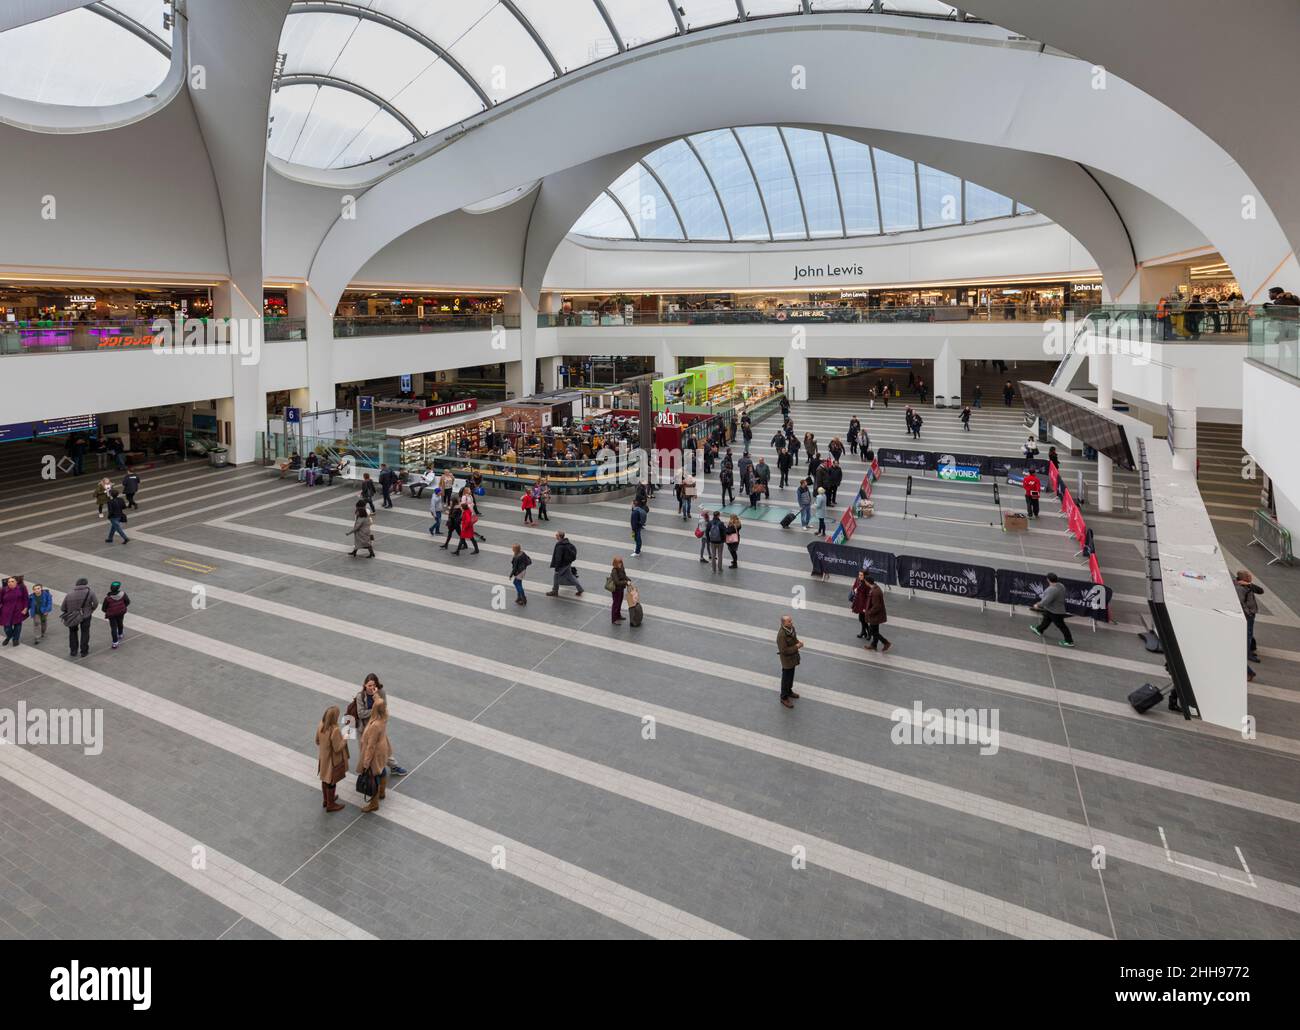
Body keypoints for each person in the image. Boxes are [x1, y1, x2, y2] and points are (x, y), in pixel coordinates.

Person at [357, 696, 392, 813]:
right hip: (383, 748)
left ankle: (374, 803)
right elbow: (381, 705)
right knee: (381, 769)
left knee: (374, 776)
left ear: (375, 709)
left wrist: (366, 762)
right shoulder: (385, 716)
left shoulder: (375, 725)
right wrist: (376, 696)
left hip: (375, 752)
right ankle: (382, 792)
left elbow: (370, 746)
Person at [317, 705, 349, 812]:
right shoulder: (334, 730)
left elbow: (317, 741)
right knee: (331, 781)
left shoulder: (321, 724)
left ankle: (326, 800)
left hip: (323, 758)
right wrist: (345, 738)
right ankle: (331, 805)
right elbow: (337, 748)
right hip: (332, 760)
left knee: (324, 779)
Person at [1031, 573, 1075, 647]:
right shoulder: (1061, 585)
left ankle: (1069, 641)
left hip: (1055, 611)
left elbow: (1046, 600)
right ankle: (1039, 629)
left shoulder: (1052, 590)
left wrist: (1037, 605)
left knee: (1062, 626)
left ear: (1048, 580)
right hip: (1052, 609)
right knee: (1046, 619)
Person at [60, 577, 98, 658]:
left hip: (72, 617)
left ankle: (73, 651)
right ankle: (84, 651)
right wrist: (91, 609)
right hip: (86, 616)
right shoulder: (90, 592)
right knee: (85, 632)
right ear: (86, 584)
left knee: (73, 633)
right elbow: (96, 603)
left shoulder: (69, 594)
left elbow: (63, 608)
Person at [1235, 569, 1263, 666]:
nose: (1251, 577)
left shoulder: (1247, 585)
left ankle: (1249, 651)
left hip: (1250, 614)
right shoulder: (1240, 588)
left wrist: (1249, 585)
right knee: (1248, 634)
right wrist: (1249, 613)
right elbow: (1241, 603)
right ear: (1245, 578)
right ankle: (1247, 653)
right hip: (1248, 615)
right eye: (1249, 576)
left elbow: (1260, 591)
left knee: (1249, 633)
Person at [776, 615, 803, 709]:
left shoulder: (791, 628)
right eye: (789, 621)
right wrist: (797, 647)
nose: (791, 622)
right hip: (787, 660)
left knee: (791, 676)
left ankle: (789, 691)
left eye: (791, 621)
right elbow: (784, 651)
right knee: (786, 678)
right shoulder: (781, 635)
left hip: (793, 658)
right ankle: (783, 697)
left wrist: (798, 642)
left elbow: (794, 638)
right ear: (783, 623)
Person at [546, 531, 583, 596]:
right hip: (568, 563)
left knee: (556, 576)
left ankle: (555, 591)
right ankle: (580, 589)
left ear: (559, 536)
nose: (555, 536)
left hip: (562, 565)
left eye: (556, 535)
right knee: (570, 576)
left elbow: (558, 558)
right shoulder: (567, 543)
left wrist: (557, 568)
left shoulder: (560, 546)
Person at [863, 575, 891, 652]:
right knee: (875, 631)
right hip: (876, 615)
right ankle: (874, 645)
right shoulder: (875, 588)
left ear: (868, 582)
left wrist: (869, 612)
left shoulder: (875, 592)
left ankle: (886, 642)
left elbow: (877, 606)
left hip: (875, 615)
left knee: (873, 631)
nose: (865, 583)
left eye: (865, 581)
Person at [101, 580, 130, 649]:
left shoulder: (108, 598)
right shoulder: (123, 594)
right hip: (121, 612)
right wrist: (123, 607)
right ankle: (120, 634)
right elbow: (127, 602)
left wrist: (108, 611)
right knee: (120, 623)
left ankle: (115, 642)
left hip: (112, 615)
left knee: (113, 627)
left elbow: (103, 608)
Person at [1, 575, 28, 647]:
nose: (10, 583)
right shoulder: (3, 589)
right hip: (6, 611)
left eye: (12, 581)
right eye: (9, 582)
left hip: (18, 610)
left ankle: (15, 639)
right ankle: (9, 636)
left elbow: (25, 598)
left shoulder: (22, 588)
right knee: (7, 628)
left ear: (16, 582)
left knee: (17, 625)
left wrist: (25, 608)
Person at [607, 556, 630, 624]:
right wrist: (626, 582)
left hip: (621, 588)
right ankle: (614, 619)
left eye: (621, 562)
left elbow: (624, 575)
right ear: (615, 564)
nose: (620, 564)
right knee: (616, 604)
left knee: (619, 602)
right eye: (619, 563)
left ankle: (618, 615)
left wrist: (628, 579)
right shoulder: (614, 571)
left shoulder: (622, 568)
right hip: (616, 590)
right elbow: (617, 582)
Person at [849, 570, 871, 639]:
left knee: (863, 619)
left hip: (864, 603)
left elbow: (868, 596)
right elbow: (854, 586)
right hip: (858, 602)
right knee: (861, 619)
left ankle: (868, 632)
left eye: (861, 575)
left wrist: (866, 607)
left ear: (865, 576)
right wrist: (855, 589)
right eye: (859, 575)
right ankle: (863, 632)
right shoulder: (858, 580)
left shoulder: (867, 583)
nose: (859, 576)